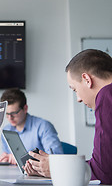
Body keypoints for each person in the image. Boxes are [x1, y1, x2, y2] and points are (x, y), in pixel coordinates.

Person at [24, 49, 112, 185]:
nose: (78, 99)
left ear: (87, 79)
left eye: (75, 89)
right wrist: (55, 165)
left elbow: (104, 173)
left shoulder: (106, 95)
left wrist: (55, 168)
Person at [0, 88, 63, 165]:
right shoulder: (6, 130)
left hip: (40, 175)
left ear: (25, 108)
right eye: (7, 113)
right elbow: (9, 158)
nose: (10, 117)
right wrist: (5, 160)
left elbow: (55, 158)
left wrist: (20, 160)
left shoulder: (43, 126)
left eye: (14, 113)